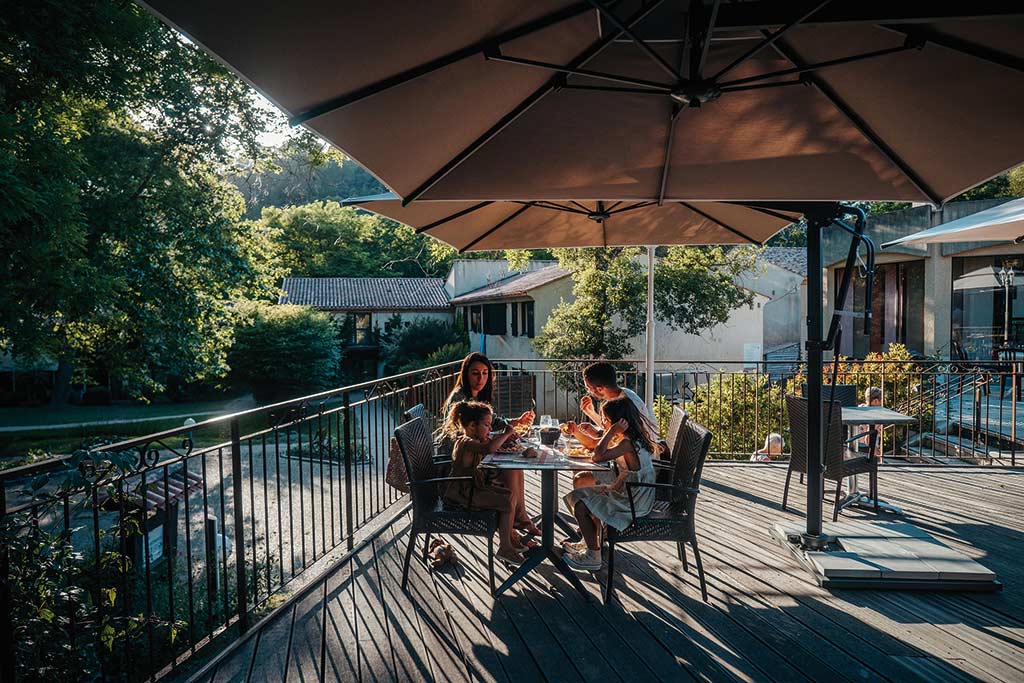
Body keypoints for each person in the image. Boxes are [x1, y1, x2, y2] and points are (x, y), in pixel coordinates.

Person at [440, 352, 540, 537]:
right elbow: (458, 436)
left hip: (474, 459)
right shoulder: (461, 399)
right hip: (457, 469)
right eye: (475, 373)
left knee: (514, 467)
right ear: (465, 374)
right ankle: (512, 527)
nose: (481, 378)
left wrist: (515, 422)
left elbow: (490, 422)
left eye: (485, 373)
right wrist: (493, 439)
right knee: (509, 468)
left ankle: (520, 517)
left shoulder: (477, 396)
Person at [561, 396, 660, 571]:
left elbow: (597, 455)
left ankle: (593, 555)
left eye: (606, 420)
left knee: (582, 506)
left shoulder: (628, 443)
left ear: (619, 422)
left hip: (633, 501)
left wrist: (612, 431)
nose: (604, 423)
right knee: (582, 494)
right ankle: (590, 542)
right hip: (632, 492)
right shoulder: (634, 438)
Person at [443, 401, 528, 565]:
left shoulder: (475, 439)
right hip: (462, 494)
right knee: (506, 500)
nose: (489, 429)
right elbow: (489, 449)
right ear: (473, 425)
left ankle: (509, 538)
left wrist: (502, 436)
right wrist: (506, 433)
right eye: (487, 425)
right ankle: (505, 547)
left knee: (509, 495)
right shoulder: (466, 442)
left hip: (472, 488)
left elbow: (490, 445)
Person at [565, 361, 656, 449]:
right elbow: (614, 428)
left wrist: (575, 432)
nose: (588, 392)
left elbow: (596, 445)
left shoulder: (625, 403)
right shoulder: (622, 395)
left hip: (639, 456)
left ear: (600, 389)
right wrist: (590, 412)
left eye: (588, 388)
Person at [851, 386, 883, 460]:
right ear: (875, 401)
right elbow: (868, 440)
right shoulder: (876, 415)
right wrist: (879, 458)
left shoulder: (859, 408)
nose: (882, 403)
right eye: (881, 400)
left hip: (852, 447)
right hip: (865, 452)